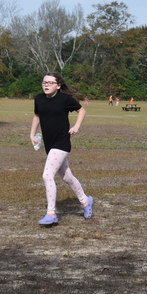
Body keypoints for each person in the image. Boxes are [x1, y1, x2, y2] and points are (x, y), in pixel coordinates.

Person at [30, 72, 93, 226]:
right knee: (66, 176)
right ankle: (86, 201)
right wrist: (32, 133)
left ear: (58, 85)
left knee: (47, 175)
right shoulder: (38, 99)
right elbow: (37, 115)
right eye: (44, 82)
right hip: (49, 143)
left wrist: (76, 126)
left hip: (62, 142)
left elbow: (82, 111)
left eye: (50, 82)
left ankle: (51, 214)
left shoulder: (65, 99)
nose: (46, 85)